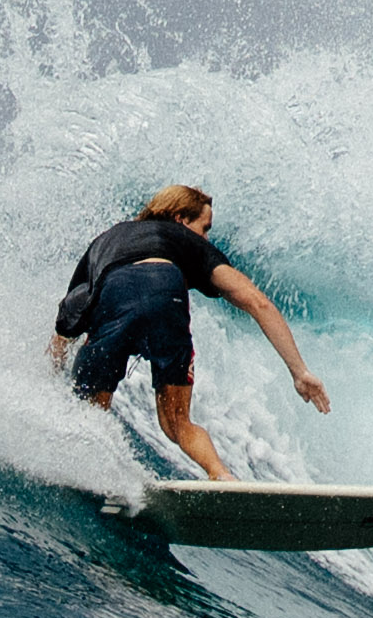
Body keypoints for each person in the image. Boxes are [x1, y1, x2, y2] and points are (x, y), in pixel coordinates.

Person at [49, 182, 330, 483]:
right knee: (177, 423)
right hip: (166, 292)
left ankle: (95, 479)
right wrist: (299, 372)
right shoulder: (186, 240)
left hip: (114, 295)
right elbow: (257, 302)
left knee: (90, 410)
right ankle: (221, 475)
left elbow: (69, 315)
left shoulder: (106, 240)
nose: (206, 238)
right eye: (204, 227)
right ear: (181, 219)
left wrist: (53, 371)